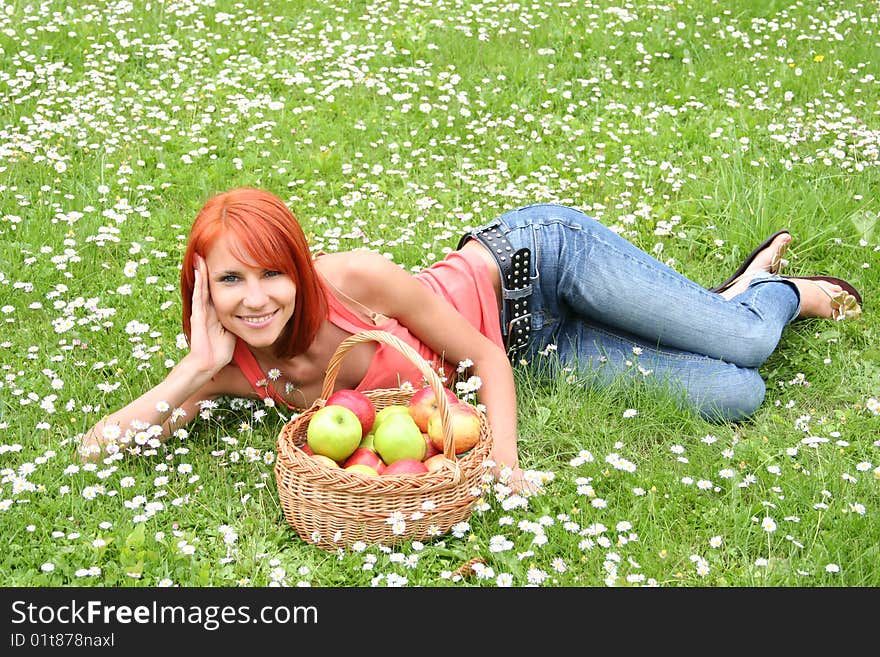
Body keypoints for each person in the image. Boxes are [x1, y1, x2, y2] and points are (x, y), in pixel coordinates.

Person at [78, 188, 863, 489]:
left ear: (298, 264)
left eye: (271, 273)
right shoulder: (234, 363)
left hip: (539, 265)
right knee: (738, 391)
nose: (256, 300)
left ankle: (769, 291)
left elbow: (483, 354)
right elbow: (98, 448)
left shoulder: (353, 279)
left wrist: (505, 465)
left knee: (748, 344)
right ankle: (716, 303)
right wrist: (197, 366)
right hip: (541, 347)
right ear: (204, 290)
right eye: (230, 282)